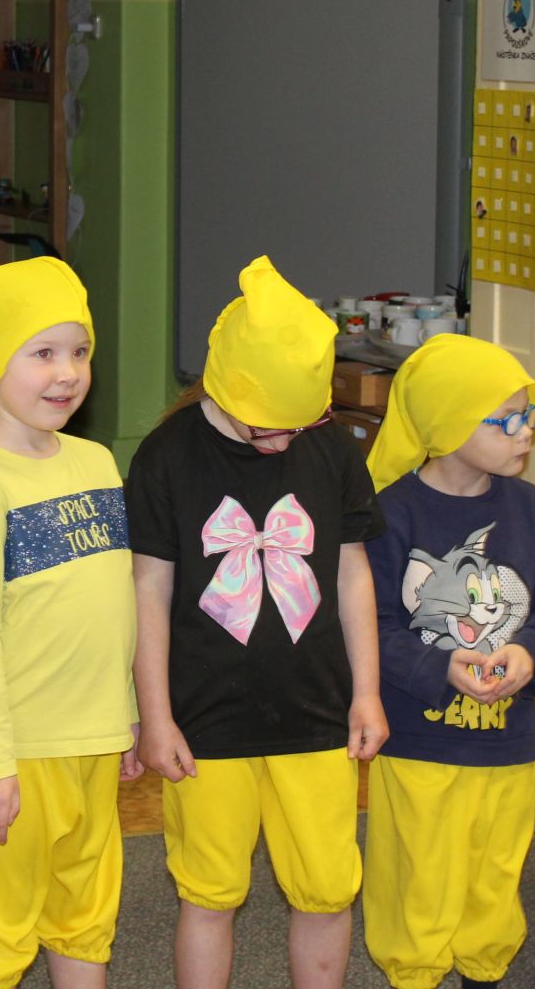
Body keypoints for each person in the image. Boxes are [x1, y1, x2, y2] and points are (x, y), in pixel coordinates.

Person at [127, 255, 388, 989]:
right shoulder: (166, 458)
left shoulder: (328, 448)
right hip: (205, 722)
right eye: (267, 428)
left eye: (302, 425)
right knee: (208, 893)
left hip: (318, 714)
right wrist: (155, 717)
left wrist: (367, 693)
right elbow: (148, 590)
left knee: (327, 887)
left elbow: (352, 572)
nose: (284, 442)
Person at [0, 257, 140, 989]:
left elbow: (112, 605)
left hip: (93, 738)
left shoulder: (97, 463)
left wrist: (127, 714)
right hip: (19, 752)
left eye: (79, 351)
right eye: (43, 353)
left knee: (85, 910)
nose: (67, 373)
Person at [360, 334, 535, 989]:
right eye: (505, 419)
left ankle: (485, 970)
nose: (525, 431)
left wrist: (528, 651)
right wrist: (440, 667)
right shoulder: (392, 513)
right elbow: (371, 624)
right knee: (419, 874)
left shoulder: (531, 509)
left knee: (494, 872)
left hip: (507, 741)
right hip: (419, 740)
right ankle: (415, 973)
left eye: (528, 416)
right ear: (449, 423)